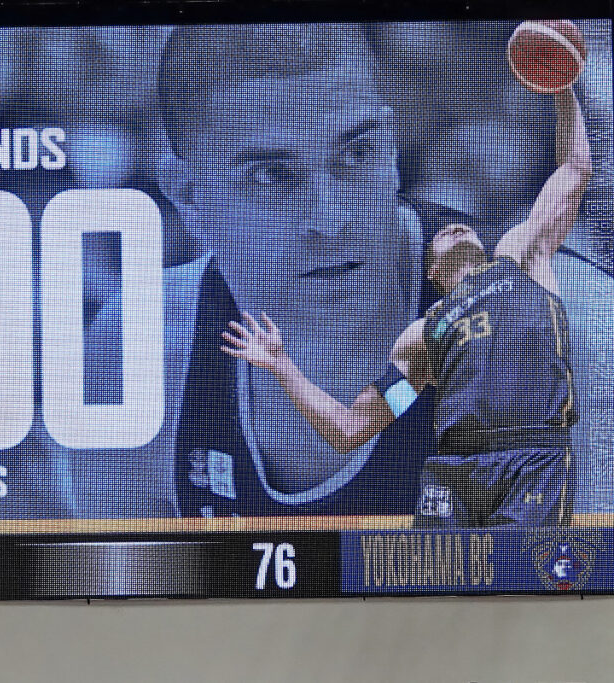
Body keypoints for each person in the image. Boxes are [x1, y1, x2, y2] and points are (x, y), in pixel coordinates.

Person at [66, 24, 446, 518]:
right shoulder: (138, 349)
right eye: (272, 175)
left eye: (359, 151)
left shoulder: (517, 321)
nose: (332, 217)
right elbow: (112, 568)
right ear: (189, 195)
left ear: (392, 147)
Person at [222, 86, 591, 526]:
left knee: (519, 568)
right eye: (440, 234)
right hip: (456, 470)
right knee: (435, 568)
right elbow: (349, 430)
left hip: (530, 456)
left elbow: (574, 169)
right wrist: (282, 365)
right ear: (433, 273)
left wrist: (562, 88)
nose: (454, 227)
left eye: (463, 227)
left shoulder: (521, 259)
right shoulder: (424, 336)